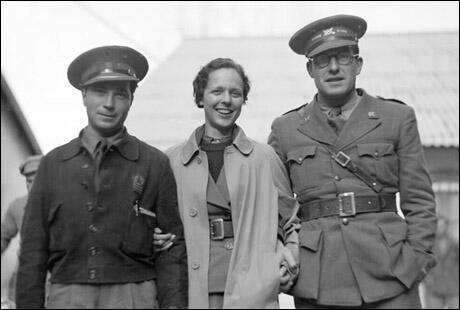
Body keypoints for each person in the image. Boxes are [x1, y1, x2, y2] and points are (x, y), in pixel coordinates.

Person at [268, 14, 438, 308]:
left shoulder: (396, 118)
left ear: (358, 64)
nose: (333, 68)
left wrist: (416, 261)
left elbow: (420, 200)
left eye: (342, 57)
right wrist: (283, 252)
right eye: (322, 60)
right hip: (318, 280)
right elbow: (275, 206)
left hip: (391, 273)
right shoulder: (286, 129)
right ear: (310, 69)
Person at [16, 45, 187, 309]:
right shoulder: (53, 164)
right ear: (84, 95)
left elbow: (173, 252)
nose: (108, 104)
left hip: (134, 297)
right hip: (67, 297)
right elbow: (32, 253)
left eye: (120, 94)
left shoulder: (154, 163)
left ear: (132, 99)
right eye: (99, 92)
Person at [166, 58, 299, 308]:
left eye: (235, 93)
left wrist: (287, 257)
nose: (226, 100)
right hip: (192, 288)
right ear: (200, 97)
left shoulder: (264, 158)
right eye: (217, 91)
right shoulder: (172, 161)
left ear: (243, 100)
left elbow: (291, 221)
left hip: (252, 289)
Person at [1, 155, 43, 306]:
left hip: (54, 284)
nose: (33, 186)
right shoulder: (18, 206)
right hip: (23, 281)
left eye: (38, 180)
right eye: (29, 181)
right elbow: (2, 237)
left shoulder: (65, 206)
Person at [422, 215, 459, 309]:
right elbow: (421, 264)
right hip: (433, 289)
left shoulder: (455, 245)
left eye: (442, 226)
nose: (440, 228)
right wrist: (426, 280)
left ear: (447, 226)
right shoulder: (428, 246)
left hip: (454, 289)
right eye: (438, 226)